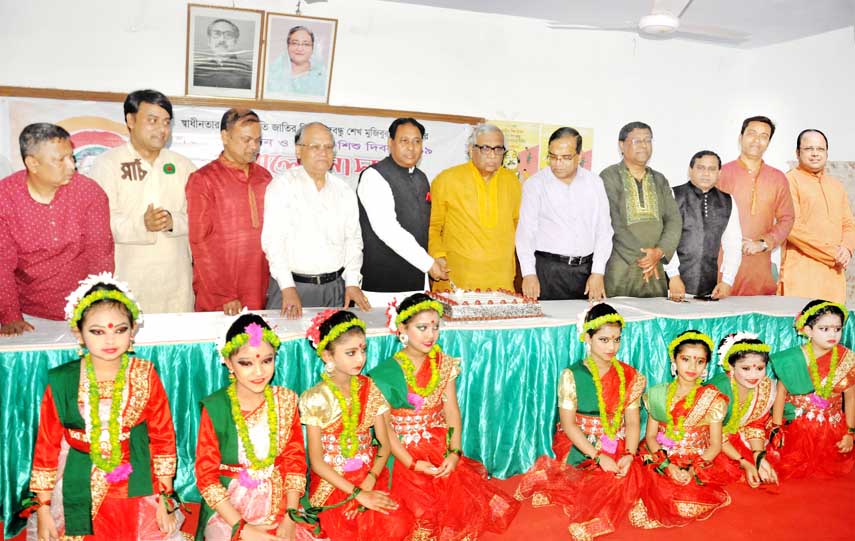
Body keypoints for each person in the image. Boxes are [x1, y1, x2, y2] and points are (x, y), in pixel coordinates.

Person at [25, 273, 183, 540]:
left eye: (119, 329)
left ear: (132, 330)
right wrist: (42, 510)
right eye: (97, 331)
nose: (110, 340)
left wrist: (165, 500)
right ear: (79, 332)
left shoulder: (144, 373)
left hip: (134, 479)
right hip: (77, 478)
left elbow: (163, 439)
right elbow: (46, 447)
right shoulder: (63, 380)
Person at [370, 294, 520, 539]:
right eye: (422, 328)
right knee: (410, 517)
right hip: (399, 455)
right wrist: (412, 463)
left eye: (435, 327)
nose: (431, 335)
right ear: (402, 329)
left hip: (438, 445)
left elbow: (451, 411)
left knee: (460, 504)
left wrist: (455, 452)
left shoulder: (444, 364)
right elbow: (384, 430)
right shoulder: (384, 374)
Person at [515, 303, 646, 540]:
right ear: (587, 337)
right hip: (579, 446)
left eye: (616, 339)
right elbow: (568, 424)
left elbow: (633, 422)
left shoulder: (630, 376)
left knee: (628, 476)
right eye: (604, 340)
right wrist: (597, 456)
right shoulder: (572, 375)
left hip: (617, 443)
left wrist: (629, 453)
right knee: (606, 484)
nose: (612, 347)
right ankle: (596, 519)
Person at [299, 310, 412, 541]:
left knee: (396, 526)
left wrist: (370, 478)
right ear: (328, 356)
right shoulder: (315, 398)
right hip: (333, 481)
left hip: (367, 473)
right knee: (349, 528)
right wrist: (358, 494)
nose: (360, 359)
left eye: (363, 350)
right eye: (351, 353)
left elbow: (384, 445)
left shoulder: (371, 389)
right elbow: (318, 463)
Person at [195, 313, 309, 541]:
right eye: (246, 363)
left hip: (283, 500)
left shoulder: (285, 400)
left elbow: (294, 461)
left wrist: (290, 516)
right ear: (228, 362)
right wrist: (243, 528)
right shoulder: (217, 406)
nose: (259, 372)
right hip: (229, 506)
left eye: (267, 360)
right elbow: (206, 476)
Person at [0, 123, 113, 336]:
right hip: (26, 315)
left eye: (71, 157)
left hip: (82, 311)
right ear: (32, 163)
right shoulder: (5, 198)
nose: (71, 165)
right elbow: (2, 265)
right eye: (60, 160)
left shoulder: (89, 192)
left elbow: (100, 256)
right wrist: (10, 316)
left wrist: (96, 309)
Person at [89, 89, 196, 313]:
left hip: (175, 281)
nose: (162, 129)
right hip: (128, 281)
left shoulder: (183, 166)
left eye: (167, 122)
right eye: (153, 121)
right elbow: (97, 224)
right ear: (130, 120)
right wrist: (142, 225)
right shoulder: (107, 164)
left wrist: (173, 221)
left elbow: (201, 219)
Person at [261, 122, 370, 318]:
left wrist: (352, 282)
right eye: (315, 146)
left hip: (335, 289)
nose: (323, 152)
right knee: (288, 346)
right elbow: (273, 241)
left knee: (333, 346)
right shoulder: (283, 186)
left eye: (328, 147)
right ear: (298, 151)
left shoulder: (343, 190)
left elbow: (353, 240)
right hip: (293, 289)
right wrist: (287, 287)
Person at [631, 330, 729, 529]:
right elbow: (650, 437)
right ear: (674, 362)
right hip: (661, 456)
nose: (692, 367)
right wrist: (667, 465)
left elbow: (716, 445)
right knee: (646, 498)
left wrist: (692, 470)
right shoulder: (658, 394)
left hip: (698, 460)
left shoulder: (713, 399)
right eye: (686, 359)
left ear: (706, 367)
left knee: (686, 504)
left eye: (699, 361)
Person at [187, 108, 272, 315]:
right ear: (225, 137)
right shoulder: (203, 179)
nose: (254, 147)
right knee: (223, 345)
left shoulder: (264, 178)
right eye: (247, 139)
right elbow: (200, 243)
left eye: (258, 140)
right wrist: (224, 294)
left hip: (259, 286)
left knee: (256, 342)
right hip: (220, 296)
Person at [516, 127, 613, 301]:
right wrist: (528, 273)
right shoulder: (535, 185)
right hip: (548, 271)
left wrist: (598, 272)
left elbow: (604, 230)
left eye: (565, 158)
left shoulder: (594, 183)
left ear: (579, 156)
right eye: (553, 157)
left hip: (586, 271)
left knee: (586, 325)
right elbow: (525, 233)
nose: (557, 163)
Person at [357, 118, 448, 296]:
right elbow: (387, 229)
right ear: (390, 143)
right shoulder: (374, 176)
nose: (411, 147)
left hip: (416, 280)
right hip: (383, 285)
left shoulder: (421, 177)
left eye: (417, 141)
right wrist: (428, 264)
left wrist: (436, 257)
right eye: (404, 141)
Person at [428, 124, 521, 291]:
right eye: (486, 148)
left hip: (501, 281)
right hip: (457, 279)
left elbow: (517, 226)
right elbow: (432, 227)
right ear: (471, 150)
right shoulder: (447, 180)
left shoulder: (513, 182)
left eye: (498, 149)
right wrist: (438, 256)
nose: (493, 155)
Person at [770, 300, 855, 479]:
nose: (832, 334)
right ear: (808, 331)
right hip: (796, 427)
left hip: (833, 428)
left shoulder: (846, 359)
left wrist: (850, 433)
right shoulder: (791, 359)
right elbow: (781, 394)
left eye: (837, 329)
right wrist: (776, 429)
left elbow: (850, 398)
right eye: (824, 329)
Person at [600, 122, 682, 298]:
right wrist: (645, 258)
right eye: (637, 141)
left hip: (655, 270)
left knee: (656, 321)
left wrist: (659, 253)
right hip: (621, 267)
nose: (644, 145)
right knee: (618, 320)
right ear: (622, 145)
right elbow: (612, 222)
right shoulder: (609, 176)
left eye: (648, 140)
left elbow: (674, 221)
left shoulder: (660, 180)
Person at [717, 116, 795, 296]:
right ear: (741, 137)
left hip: (759, 269)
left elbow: (787, 218)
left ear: (768, 142)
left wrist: (763, 243)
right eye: (752, 134)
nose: (757, 140)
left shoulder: (777, 178)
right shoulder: (722, 173)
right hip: (722, 266)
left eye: (764, 136)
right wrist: (733, 241)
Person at [779, 129, 855, 303]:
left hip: (834, 276)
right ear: (798, 153)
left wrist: (847, 249)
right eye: (809, 149)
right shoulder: (789, 181)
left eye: (820, 149)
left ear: (827, 153)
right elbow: (792, 227)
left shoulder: (836, 185)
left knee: (834, 327)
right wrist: (833, 253)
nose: (815, 154)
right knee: (802, 325)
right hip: (802, 275)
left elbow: (849, 224)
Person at [664, 150, 742, 300]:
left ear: (719, 173)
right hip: (672, 288)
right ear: (690, 170)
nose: (706, 173)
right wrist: (673, 276)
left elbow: (733, 245)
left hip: (709, 291)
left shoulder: (728, 201)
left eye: (712, 169)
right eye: (701, 168)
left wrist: (727, 281)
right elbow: (664, 240)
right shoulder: (673, 196)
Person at [709, 333, 779, 487]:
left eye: (760, 368)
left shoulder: (765, 387)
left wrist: (759, 458)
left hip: (740, 437)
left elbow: (755, 424)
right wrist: (744, 463)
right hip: (711, 440)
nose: (754, 375)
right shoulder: (718, 389)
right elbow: (711, 432)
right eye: (746, 368)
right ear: (731, 367)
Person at [266, 26, 327, 98]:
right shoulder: (270, 73)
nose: (300, 48)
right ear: (288, 46)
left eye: (306, 44)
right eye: (295, 43)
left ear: (312, 48)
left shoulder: (323, 77)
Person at [193, 18, 253, 89]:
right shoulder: (198, 71)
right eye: (217, 34)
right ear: (209, 41)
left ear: (235, 41)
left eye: (228, 35)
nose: (222, 40)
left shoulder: (247, 71)